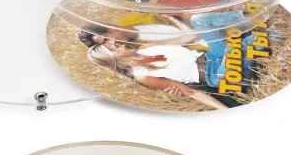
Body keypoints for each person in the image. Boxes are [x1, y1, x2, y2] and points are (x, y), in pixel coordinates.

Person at [78, 11, 270, 110]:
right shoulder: (143, 75)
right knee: (241, 45)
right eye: (112, 46)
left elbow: (188, 37)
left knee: (200, 20)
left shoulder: (144, 48)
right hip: (217, 74)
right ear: (113, 56)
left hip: (211, 56)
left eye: (112, 41)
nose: (116, 44)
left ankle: (255, 15)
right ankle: (265, 39)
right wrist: (225, 111)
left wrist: (172, 17)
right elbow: (191, 93)